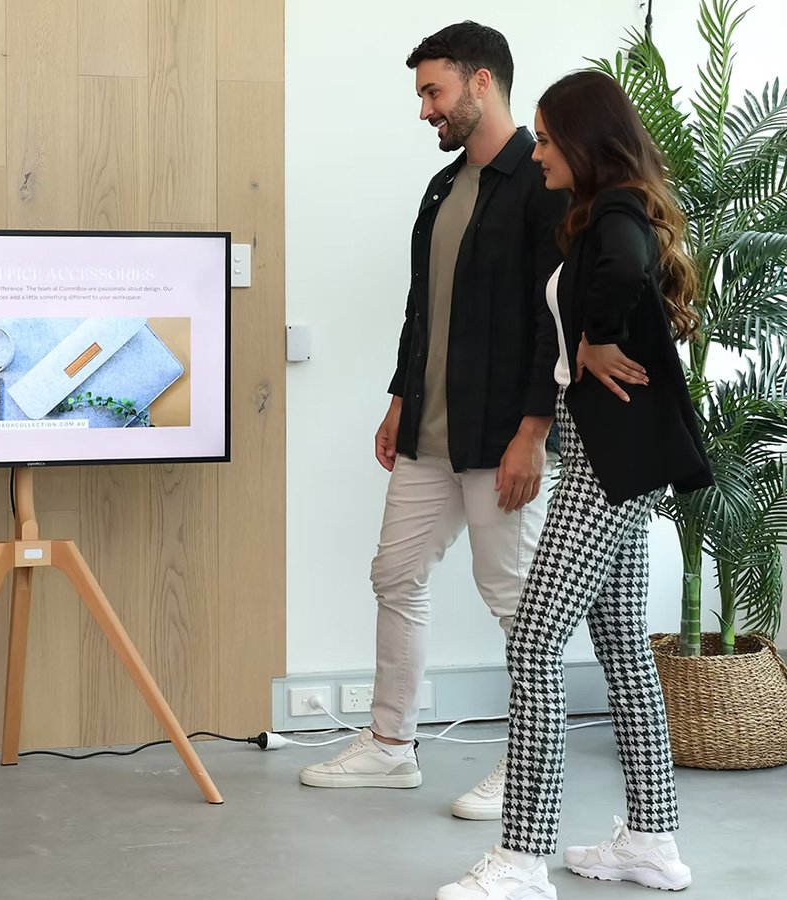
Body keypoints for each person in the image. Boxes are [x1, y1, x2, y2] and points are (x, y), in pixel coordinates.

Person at [437, 70, 713, 900]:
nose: (541, 151)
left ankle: (522, 857)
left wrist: (592, 338)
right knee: (625, 649)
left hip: (606, 467)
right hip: (618, 462)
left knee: (533, 639)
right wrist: (588, 343)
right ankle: (652, 842)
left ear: (585, 144)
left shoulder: (616, 211)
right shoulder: (609, 208)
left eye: (551, 141)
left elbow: (624, 272)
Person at [299, 21, 567, 822]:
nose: (425, 109)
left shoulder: (541, 186)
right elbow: (425, 308)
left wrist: (533, 431)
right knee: (396, 574)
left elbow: (551, 322)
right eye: (423, 94)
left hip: (502, 435)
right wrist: (398, 399)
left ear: (481, 83)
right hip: (429, 429)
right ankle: (390, 746)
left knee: (516, 600)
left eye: (433, 91)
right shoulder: (444, 187)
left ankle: (527, 768)